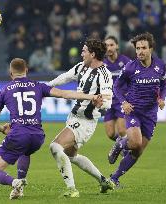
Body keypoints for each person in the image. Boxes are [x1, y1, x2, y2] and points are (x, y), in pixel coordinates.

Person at [0, 58, 106, 200]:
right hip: (37, 137)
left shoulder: (4, 90)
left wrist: (2, 129)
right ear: (27, 71)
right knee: (25, 150)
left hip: (18, 135)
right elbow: (65, 94)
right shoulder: (38, 86)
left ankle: (15, 182)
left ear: (10, 73)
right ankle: (20, 189)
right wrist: (92, 96)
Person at [48, 38, 115, 198]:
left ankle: (72, 189)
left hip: (85, 121)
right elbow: (64, 77)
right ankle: (104, 181)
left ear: (92, 54)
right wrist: (44, 87)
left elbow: (108, 101)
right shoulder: (82, 67)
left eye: (84, 50)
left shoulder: (104, 74)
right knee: (71, 156)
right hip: (73, 117)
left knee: (55, 147)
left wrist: (101, 103)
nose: (81, 53)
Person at [108, 32, 166, 187]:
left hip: (151, 114)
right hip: (134, 111)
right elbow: (117, 86)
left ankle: (114, 178)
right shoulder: (130, 67)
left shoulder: (160, 65)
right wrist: (124, 103)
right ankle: (120, 143)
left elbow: (162, 85)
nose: (140, 51)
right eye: (138, 48)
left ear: (151, 49)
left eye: (143, 48)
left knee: (138, 151)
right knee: (135, 143)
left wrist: (162, 98)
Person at [103, 36, 131, 142]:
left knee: (122, 130)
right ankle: (123, 145)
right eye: (106, 45)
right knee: (110, 134)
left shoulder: (126, 62)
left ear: (117, 46)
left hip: (122, 100)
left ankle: (127, 150)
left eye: (111, 45)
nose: (109, 48)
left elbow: (134, 78)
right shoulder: (102, 65)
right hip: (108, 101)